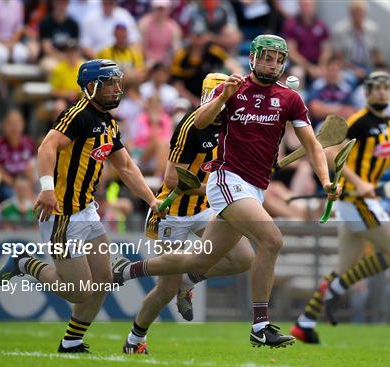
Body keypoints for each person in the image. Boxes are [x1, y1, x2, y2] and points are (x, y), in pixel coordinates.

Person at [113, 34, 339, 348]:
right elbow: (200, 120)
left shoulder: (290, 99)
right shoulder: (233, 90)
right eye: (266, 57)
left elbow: (312, 145)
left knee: (199, 260)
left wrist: (326, 180)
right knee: (271, 239)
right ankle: (260, 326)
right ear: (253, 58)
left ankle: (127, 270)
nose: (271, 64)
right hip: (226, 181)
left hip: (254, 188)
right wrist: (222, 97)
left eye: (277, 59)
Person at [0, 59, 165, 353]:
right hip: (61, 214)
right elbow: (46, 147)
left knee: (103, 280)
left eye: (117, 82)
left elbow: (126, 167)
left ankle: (71, 341)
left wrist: (152, 200)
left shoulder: (109, 123)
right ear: (90, 87)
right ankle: (26, 262)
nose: (116, 89)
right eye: (109, 83)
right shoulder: (77, 115)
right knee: (78, 291)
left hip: (86, 211)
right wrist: (47, 189)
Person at [114, 73, 255, 354]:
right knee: (165, 289)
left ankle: (188, 281)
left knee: (243, 258)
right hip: (173, 211)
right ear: (207, 97)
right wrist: (216, 189)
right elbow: (170, 180)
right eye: (221, 95)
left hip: (207, 209)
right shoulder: (192, 125)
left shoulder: (234, 124)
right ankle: (134, 340)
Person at [291, 71, 390, 344]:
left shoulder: (389, 122)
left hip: (358, 204)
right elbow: (330, 154)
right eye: (375, 88)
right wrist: (359, 181)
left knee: (342, 269)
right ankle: (337, 289)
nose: (381, 92)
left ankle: (304, 323)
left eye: (385, 88)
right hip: (357, 201)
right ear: (366, 93)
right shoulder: (358, 122)